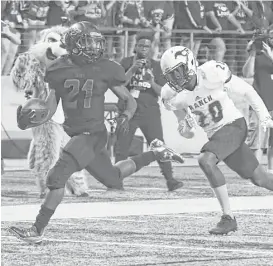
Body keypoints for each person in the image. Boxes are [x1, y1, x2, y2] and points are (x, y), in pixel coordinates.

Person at [8, 22, 184, 244]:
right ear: (74, 45)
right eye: (88, 42)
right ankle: (155, 153)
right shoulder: (58, 68)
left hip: (93, 133)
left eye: (95, 42)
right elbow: (51, 107)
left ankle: (37, 230)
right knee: (113, 177)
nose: (94, 46)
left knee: (55, 177)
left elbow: (128, 99)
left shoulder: (105, 67)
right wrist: (30, 121)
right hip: (79, 134)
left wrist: (126, 116)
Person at [160, 45, 273, 235]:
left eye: (178, 71)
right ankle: (229, 218)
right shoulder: (172, 96)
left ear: (189, 64)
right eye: (171, 75)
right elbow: (187, 132)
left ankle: (228, 217)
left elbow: (246, 90)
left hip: (234, 126)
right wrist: (185, 128)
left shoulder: (211, 73)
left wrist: (263, 116)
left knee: (206, 160)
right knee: (260, 179)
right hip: (217, 137)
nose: (176, 78)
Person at [114, 32, 183, 192]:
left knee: (159, 145)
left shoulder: (157, 65)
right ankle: (116, 180)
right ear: (135, 46)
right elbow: (119, 84)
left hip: (149, 112)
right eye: (141, 45)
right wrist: (132, 69)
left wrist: (151, 81)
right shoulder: (125, 62)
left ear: (151, 48)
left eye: (147, 46)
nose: (144, 49)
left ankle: (170, 180)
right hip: (129, 111)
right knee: (121, 148)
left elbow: (163, 92)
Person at [242, 28, 273, 173]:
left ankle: (271, 170)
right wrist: (253, 53)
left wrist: (271, 56)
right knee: (257, 141)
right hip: (259, 102)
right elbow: (247, 73)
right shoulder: (256, 55)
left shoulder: (269, 55)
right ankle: (255, 172)